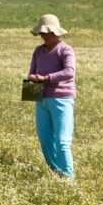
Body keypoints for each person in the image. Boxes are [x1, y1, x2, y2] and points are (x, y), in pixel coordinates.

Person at [27, 14, 76, 179]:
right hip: (41, 99)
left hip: (62, 99)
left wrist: (46, 78)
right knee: (46, 141)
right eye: (41, 33)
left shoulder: (65, 50)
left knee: (62, 141)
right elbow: (32, 73)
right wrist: (32, 80)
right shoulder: (38, 50)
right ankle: (57, 174)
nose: (42, 36)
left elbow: (69, 72)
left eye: (45, 33)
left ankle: (69, 178)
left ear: (54, 33)